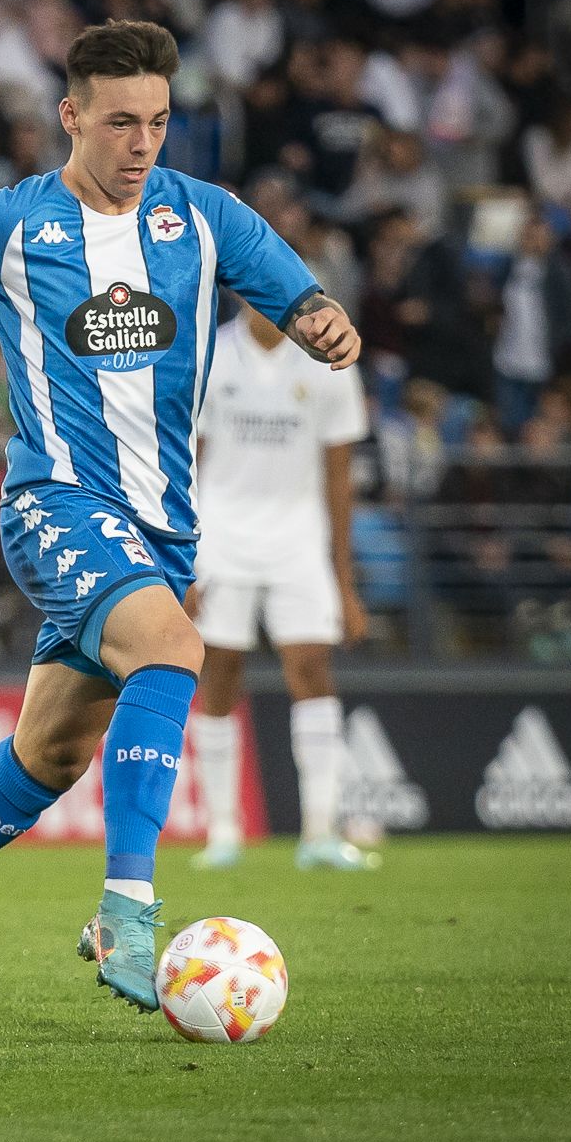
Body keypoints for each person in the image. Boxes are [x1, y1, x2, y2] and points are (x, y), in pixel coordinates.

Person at [0, 20, 360, 1018]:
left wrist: (322, 322)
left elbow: (296, 291)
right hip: (54, 504)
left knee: (48, 756)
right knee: (174, 650)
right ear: (69, 117)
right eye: (117, 123)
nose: (139, 144)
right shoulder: (12, 221)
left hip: (161, 534)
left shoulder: (204, 216)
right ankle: (127, 909)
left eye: (155, 123)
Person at [184, 303, 377, 872]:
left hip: (299, 539)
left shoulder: (331, 355)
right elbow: (184, 462)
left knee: (313, 668)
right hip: (221, 537)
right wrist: (185, 560)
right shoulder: (209, 351)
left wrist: (345, 584)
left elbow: (339, 477)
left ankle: (321, 831)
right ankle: (223, 832)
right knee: (218, 674)